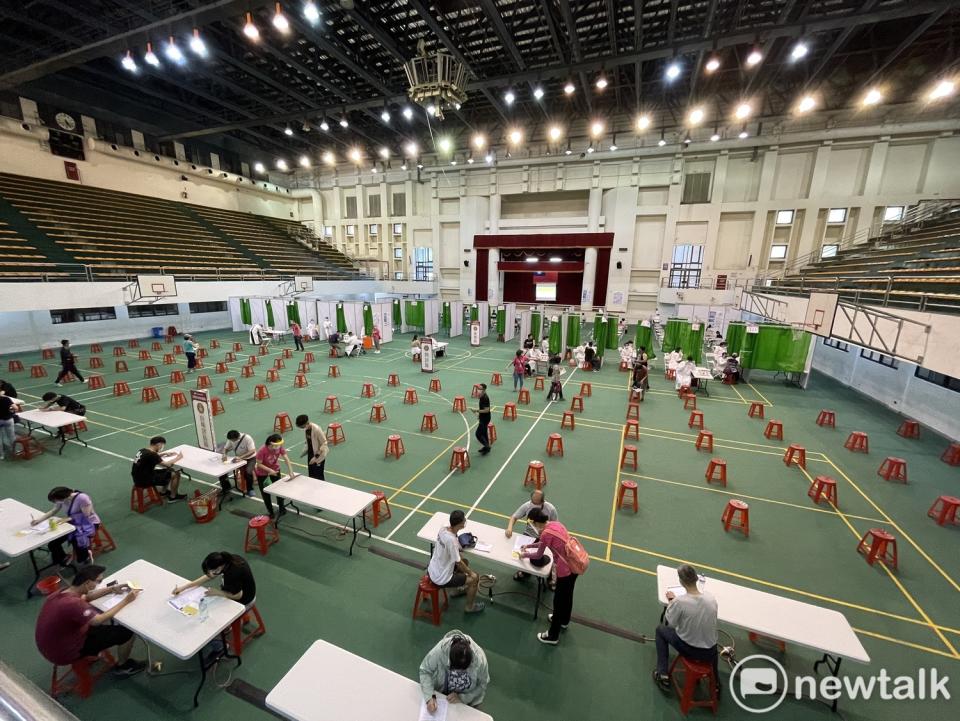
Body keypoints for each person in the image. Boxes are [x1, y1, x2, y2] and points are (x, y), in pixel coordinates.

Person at [35, 564, 146, 677]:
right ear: (87, 583)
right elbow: (97, 621)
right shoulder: (73, 604)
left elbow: (86, 597)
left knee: (99, 621)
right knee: (126, 632)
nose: (99, 584)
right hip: (64, 653)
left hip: (51, 646)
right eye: (98, 581)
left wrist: (112, 589)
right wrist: (127, 600)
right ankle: (123, 667)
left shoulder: (63, 593)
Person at [653, 564, 719, 693]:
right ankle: (715, 684)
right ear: (696, 579)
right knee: (712, 644)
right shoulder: (711, 599)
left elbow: (670, 622)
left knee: (660, 631)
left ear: (681, 582)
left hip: (690, 649)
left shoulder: (680, 602)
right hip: (710, 651)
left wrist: (672, 601)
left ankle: (662, 674)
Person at [521, 509, 578, 645]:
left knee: (558, 601)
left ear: (536, 522)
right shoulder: (556, 524)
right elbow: (543, 543)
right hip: (574, 565)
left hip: (565, 570)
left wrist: (524, 555)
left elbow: (538, 555)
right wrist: (528, 545)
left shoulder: (546, 533)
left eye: (531, 523)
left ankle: (553, 636)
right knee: (567, 595)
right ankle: (564, 620)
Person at [426, 510, 484, 613]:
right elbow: (458, 562)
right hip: (441, 578)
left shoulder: (443, 528)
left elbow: (455, 550)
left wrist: (457, 546)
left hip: (432, 569)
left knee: (465, 561)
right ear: (460, 524)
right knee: (475, 578)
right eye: (464, 520)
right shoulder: (451, 541)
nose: (465, 521)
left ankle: (456, 591)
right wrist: (471, 573)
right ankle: (469, 607)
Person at [419, 631, 490, 711]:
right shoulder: (440, 651)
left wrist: (462, 698)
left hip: (469, 698)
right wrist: (430, 697)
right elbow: (425, 671)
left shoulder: (480, 660)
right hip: (442, 692)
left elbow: (482, 685)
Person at [31, 487, 100, 567]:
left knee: (77, 539)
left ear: (63, 497)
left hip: (88, 523)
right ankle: (64, 557)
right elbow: (54, 510)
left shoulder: (83, 498)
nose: (57, 502)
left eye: (56, 501)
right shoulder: (62, 499)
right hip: (73, 523)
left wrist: (68, 519)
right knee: (53, 544)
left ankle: (85, 557)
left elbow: (86, 515)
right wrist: (38, 520)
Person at [506, 490, 558, 581]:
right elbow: (514, 517)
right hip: (529, 535)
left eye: (536, 503)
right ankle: (525, 571)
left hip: (545, 537)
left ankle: (550, 577)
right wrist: (509, 528)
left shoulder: (551, 509)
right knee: (521, 551)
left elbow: (555, 525)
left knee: (549, 556)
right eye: (532, 502)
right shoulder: (527, 505)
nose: (533, 505)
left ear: (542, 501)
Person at [171, 551, 256, 607]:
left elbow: (238, 596)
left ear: (219, 567)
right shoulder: (227, 560)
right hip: (233, 589)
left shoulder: (232, 573)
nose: (211, 575)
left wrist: (218, 592)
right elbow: (209, 576)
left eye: (213, 571)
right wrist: (184, 587)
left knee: (211, 608)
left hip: (244, 598)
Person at [254, 433, 297, 519]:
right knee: (266, 493)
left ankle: (282, 508)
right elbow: (258, 464)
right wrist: (269, 471)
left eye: (279, 445)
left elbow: (286, 458)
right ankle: (271, 512)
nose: (279, 447)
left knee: (279, 490)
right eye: (277, 445)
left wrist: (291, 471)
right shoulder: (262, 451)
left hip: (275, 470)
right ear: (271, 444)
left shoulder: (279, 447)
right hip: (263, 474)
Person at [131, 435, 185, 501]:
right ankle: (173, 497)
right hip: (145, 480)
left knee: (167, 471)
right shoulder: (152, 455)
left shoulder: (143, 450)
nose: (162, 447)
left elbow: (151, 457)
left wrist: (164, 453)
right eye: (162, 445)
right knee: (176, 473)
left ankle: (163, 492)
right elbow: (168, 464)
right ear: (158, 444)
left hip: (137, 478)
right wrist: (178, 457)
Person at [218, 429, 257, 498]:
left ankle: (250, 489)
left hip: (250, 458)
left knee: (248, 472)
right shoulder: (231, 439)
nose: (232, 441)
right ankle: (226, 487)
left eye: (233, 440)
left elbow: (252, 451)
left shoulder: (247, 438)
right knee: (223, 469)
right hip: (239, 459)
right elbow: (226, 448)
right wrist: (224, 454)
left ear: (238, 437)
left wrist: (241, 457)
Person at [295, 414, 328, 479]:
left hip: (319, 455)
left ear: (307, 423)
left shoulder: (317, 429)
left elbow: (324, 443)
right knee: (311, 474)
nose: (302, 428)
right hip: (310, 454)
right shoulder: (306, 429)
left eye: (302, 427)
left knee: (318, 476)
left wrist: (315, 457)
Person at [469, 384, 491, 455]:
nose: (478, 390)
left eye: (480, 389)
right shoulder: (481, 396)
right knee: (484, 433)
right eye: (478, 388)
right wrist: (479, 415)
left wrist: (476, 411)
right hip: (483, 417)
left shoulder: (485, 398)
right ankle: (486, 447)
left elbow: (487, 410)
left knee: (478, 434)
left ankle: (487, 446)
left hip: (485, 418)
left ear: (484, 390)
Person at [0, 391, 21, 461]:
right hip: (8, 420)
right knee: (11, 436)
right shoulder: (6, 399)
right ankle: (15, 451)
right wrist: (11, 411)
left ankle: (2, 455)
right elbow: (16, 408)